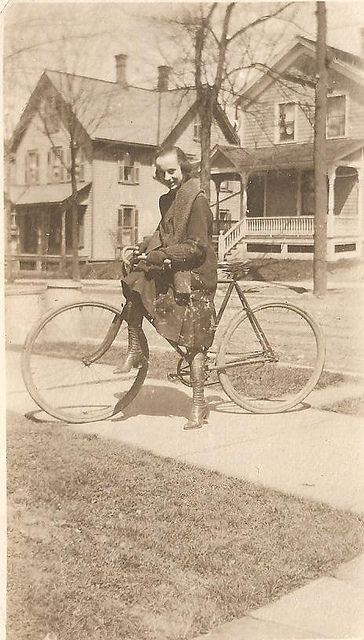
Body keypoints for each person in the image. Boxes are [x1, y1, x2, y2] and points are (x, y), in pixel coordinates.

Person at [118, 146, 217, 430]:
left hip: (196, 274)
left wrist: (159, 256)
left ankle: (198, 403)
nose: (168, 177)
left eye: (172, 171)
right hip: (178, 268)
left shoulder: (196, 200)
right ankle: (136, 347)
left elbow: (197, 249)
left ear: (185, 168)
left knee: (193, 341)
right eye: (162, 172)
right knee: (136, 278)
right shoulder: (169, 200)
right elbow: (163, 235)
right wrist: (140, 250)